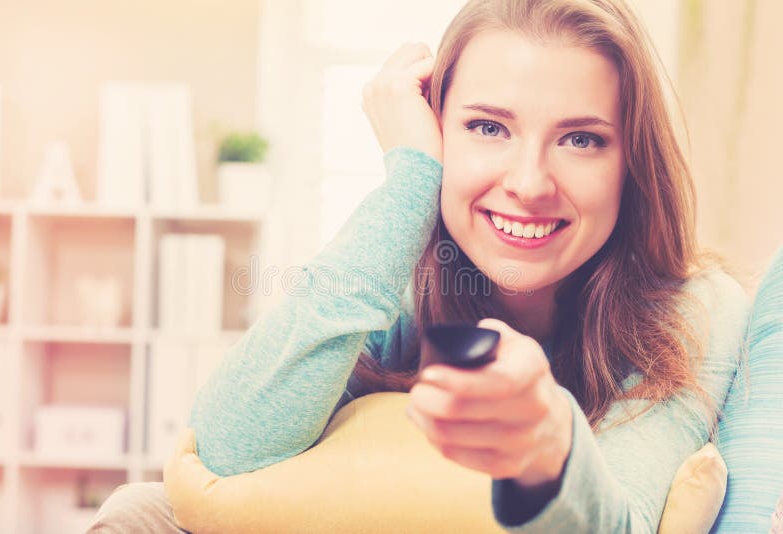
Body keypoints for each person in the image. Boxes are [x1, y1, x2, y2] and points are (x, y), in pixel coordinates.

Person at [88, 0, 752, 532]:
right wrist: (409, 184)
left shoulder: (692, 311)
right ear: (436, 131)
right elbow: (228, 453)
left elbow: (625, 523)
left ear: (631, 161)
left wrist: (548, 443)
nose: (528, 182)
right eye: (488, 128)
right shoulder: (398, 282)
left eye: (581, 139)